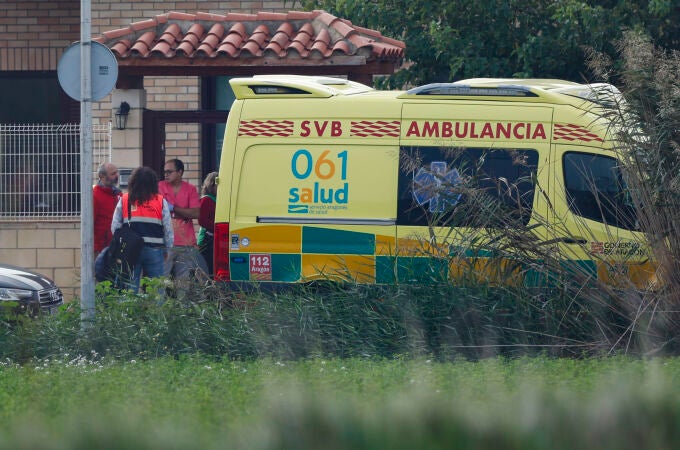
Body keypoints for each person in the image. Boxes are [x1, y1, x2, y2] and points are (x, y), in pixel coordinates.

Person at [110, 166, 173, 292]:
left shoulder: (125, 199)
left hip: (130, 250)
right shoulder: (160, 201)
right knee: (156, 290)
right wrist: (167, 249)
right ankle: (155, 312)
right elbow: (168, 229)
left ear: (133, 182)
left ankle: (130, 311)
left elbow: (115, 227)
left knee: (130, 289)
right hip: (155, 250)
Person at [158, 158, 208, 280]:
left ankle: (181, 300)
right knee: (161, 278)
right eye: (165, 172)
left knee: (183, 279)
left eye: (169, 172)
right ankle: (159, 300)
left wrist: (173, 209)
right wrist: (184, 213)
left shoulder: (190, 189)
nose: (166, 174)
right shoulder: (160, 187)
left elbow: (196, 213)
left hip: (186, 241)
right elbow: (158, 211)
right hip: (166, 241)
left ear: (180, 172)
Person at [93, 162, 121, 254]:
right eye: (113, 174)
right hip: (101, 248)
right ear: (102, 176)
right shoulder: (95, 195)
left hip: (116, 246)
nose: (117, 175)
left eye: (117, 172)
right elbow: (90, 223)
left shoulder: (118, 194)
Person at [198, 171, 218, 277]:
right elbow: (202, 220)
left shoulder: (217, 200)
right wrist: (217, 227)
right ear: (212, 185)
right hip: (207, 240)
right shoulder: (206, 200)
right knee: (208, 270)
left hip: (214, 238)